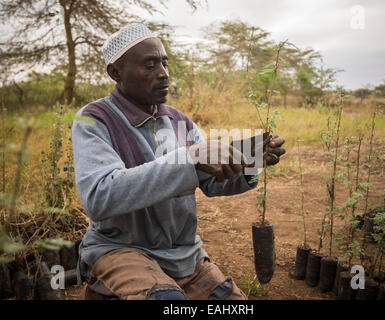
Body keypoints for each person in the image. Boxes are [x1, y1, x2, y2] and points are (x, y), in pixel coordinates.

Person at [72, 23, 286, 300]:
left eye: (164, 63)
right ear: (115, 72)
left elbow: (210, 182)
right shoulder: (95, 119)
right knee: (167, 300)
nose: (164, 74)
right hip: (120, 248)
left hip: (183, 253)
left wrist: (249, 160)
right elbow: (101, 196)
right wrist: (190, 158)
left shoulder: (179, 121)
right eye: (150, 65)